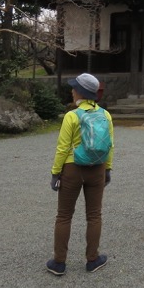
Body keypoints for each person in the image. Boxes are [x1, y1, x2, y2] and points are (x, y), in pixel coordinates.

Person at [47, 73, 114, 276]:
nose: (72, 90)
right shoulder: (105, 115)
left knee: (64, 215)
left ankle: (59, 262)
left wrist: (55, 173)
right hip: (98, 169)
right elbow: (110, 145)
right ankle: (92, 259)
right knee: (94, 215)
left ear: (80, 93)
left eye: (74, 87)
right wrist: (108, 169)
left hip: (72, 169)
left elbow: (62, 147)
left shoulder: (72, 116)